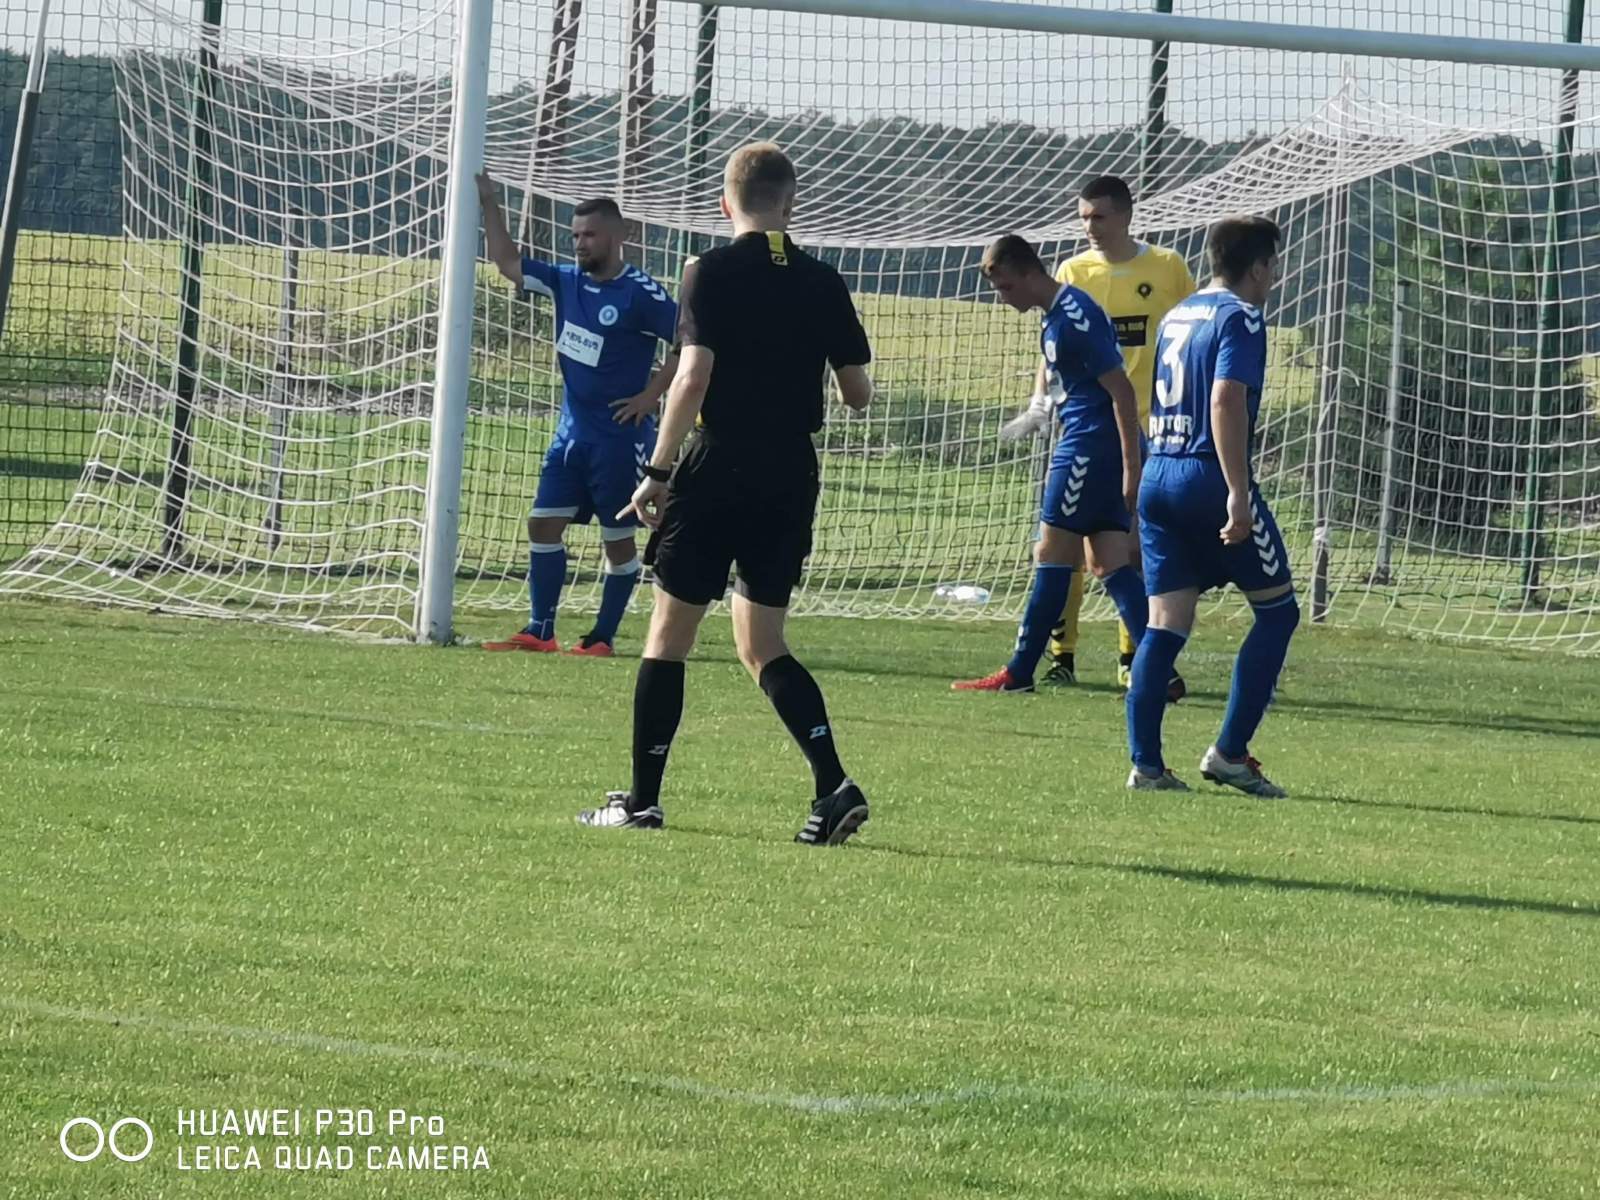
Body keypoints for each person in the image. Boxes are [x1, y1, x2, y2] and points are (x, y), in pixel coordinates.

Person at [575, 142, 876, 845]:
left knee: (668, 637)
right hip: (791, 470)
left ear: (724, 202)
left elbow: (692, 376)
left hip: (719, 465)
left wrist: (657, 470)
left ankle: (643, 803)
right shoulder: (823, 279)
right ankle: (833, 786)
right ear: (790, 203)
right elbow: (857, 393)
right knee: (763, 644)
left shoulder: (706, 271)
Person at [1126, 215, 1298, 796]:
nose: (1273, 276)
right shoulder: (1242, 316)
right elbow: (1225, 400)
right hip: (1207, 475)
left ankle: (1147, 766)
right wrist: (1238, 492)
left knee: (1164, 624)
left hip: (1160, 473)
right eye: (1272, 265)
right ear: (1259, 268)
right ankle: (1229, 753)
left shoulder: (1179, 313)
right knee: (1278, 612)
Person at [1004, 175, 1194, 697]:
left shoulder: (1167, 267)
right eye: (1084, 217)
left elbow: (1189, 337)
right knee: (1101, 556)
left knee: (1105, 550)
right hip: (1097, 427)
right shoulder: (1073, 274)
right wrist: (1040, 403)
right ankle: (1072, 657)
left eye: (1100, 216)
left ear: (1127, 216)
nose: (1090, 226)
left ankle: (1111, 663)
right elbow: (1054, 355)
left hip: (1137, 429)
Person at [476, 175, 679, 657]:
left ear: (617, 235)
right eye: (575, 235)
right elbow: (507, 263)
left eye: (589, 234)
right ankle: (540, 630)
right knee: (542, 525)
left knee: (617, 542)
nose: (580, 243)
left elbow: (689, 341)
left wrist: (651, 395)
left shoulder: (641, 293)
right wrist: (489, 203)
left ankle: (601, 638)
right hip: (571, 435)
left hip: (619, 440)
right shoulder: (565, 281)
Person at [953, 235, 1149, 695]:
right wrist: (1039, 406)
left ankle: (1019, 672)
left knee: (1051, 555)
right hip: (1094, 446)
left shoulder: (1074, 317)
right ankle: (1164, 670)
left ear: (1029, 273)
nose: (1003, 298)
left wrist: (1132, 467)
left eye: (1006, 287)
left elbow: (1122, 391)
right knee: (1108, 562)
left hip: (1087, 449)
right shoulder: (1058, 314)